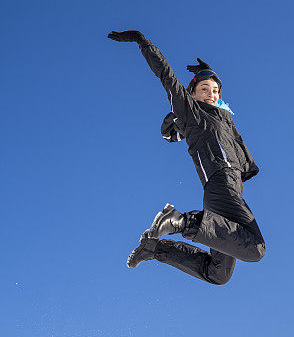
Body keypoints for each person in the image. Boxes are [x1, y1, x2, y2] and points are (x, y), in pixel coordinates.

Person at [108, 30, 265, 285]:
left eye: (216, 90)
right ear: (192, 94)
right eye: (204, 89)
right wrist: (143, 42)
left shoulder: (222, 117)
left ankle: (153, 248)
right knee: (255, 248)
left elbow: (222, 108)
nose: (212, 94)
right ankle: (181, 221)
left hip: (227, 193)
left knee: (219, 274)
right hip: (221, 184)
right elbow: (167, 77)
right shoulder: (192, 114)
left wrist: (208, 72)